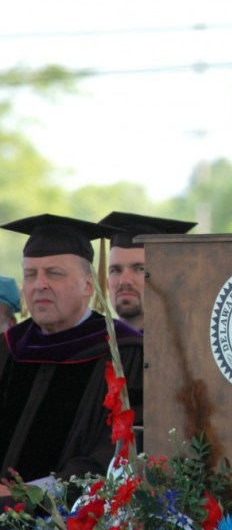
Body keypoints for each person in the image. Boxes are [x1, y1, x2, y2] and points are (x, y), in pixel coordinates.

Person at [0, 214, 143, 502]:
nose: (39, 284)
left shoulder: (124, 353)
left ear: (88, 286)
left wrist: (27, 495)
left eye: (54, 273)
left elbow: (113, 454)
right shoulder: (8, 348)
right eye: (30, 274)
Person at [98, 211, 197, 332]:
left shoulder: (189, 344)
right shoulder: (97, 345)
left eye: (140, 269)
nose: (124, 280)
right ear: (107, 283)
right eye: (116, 270)